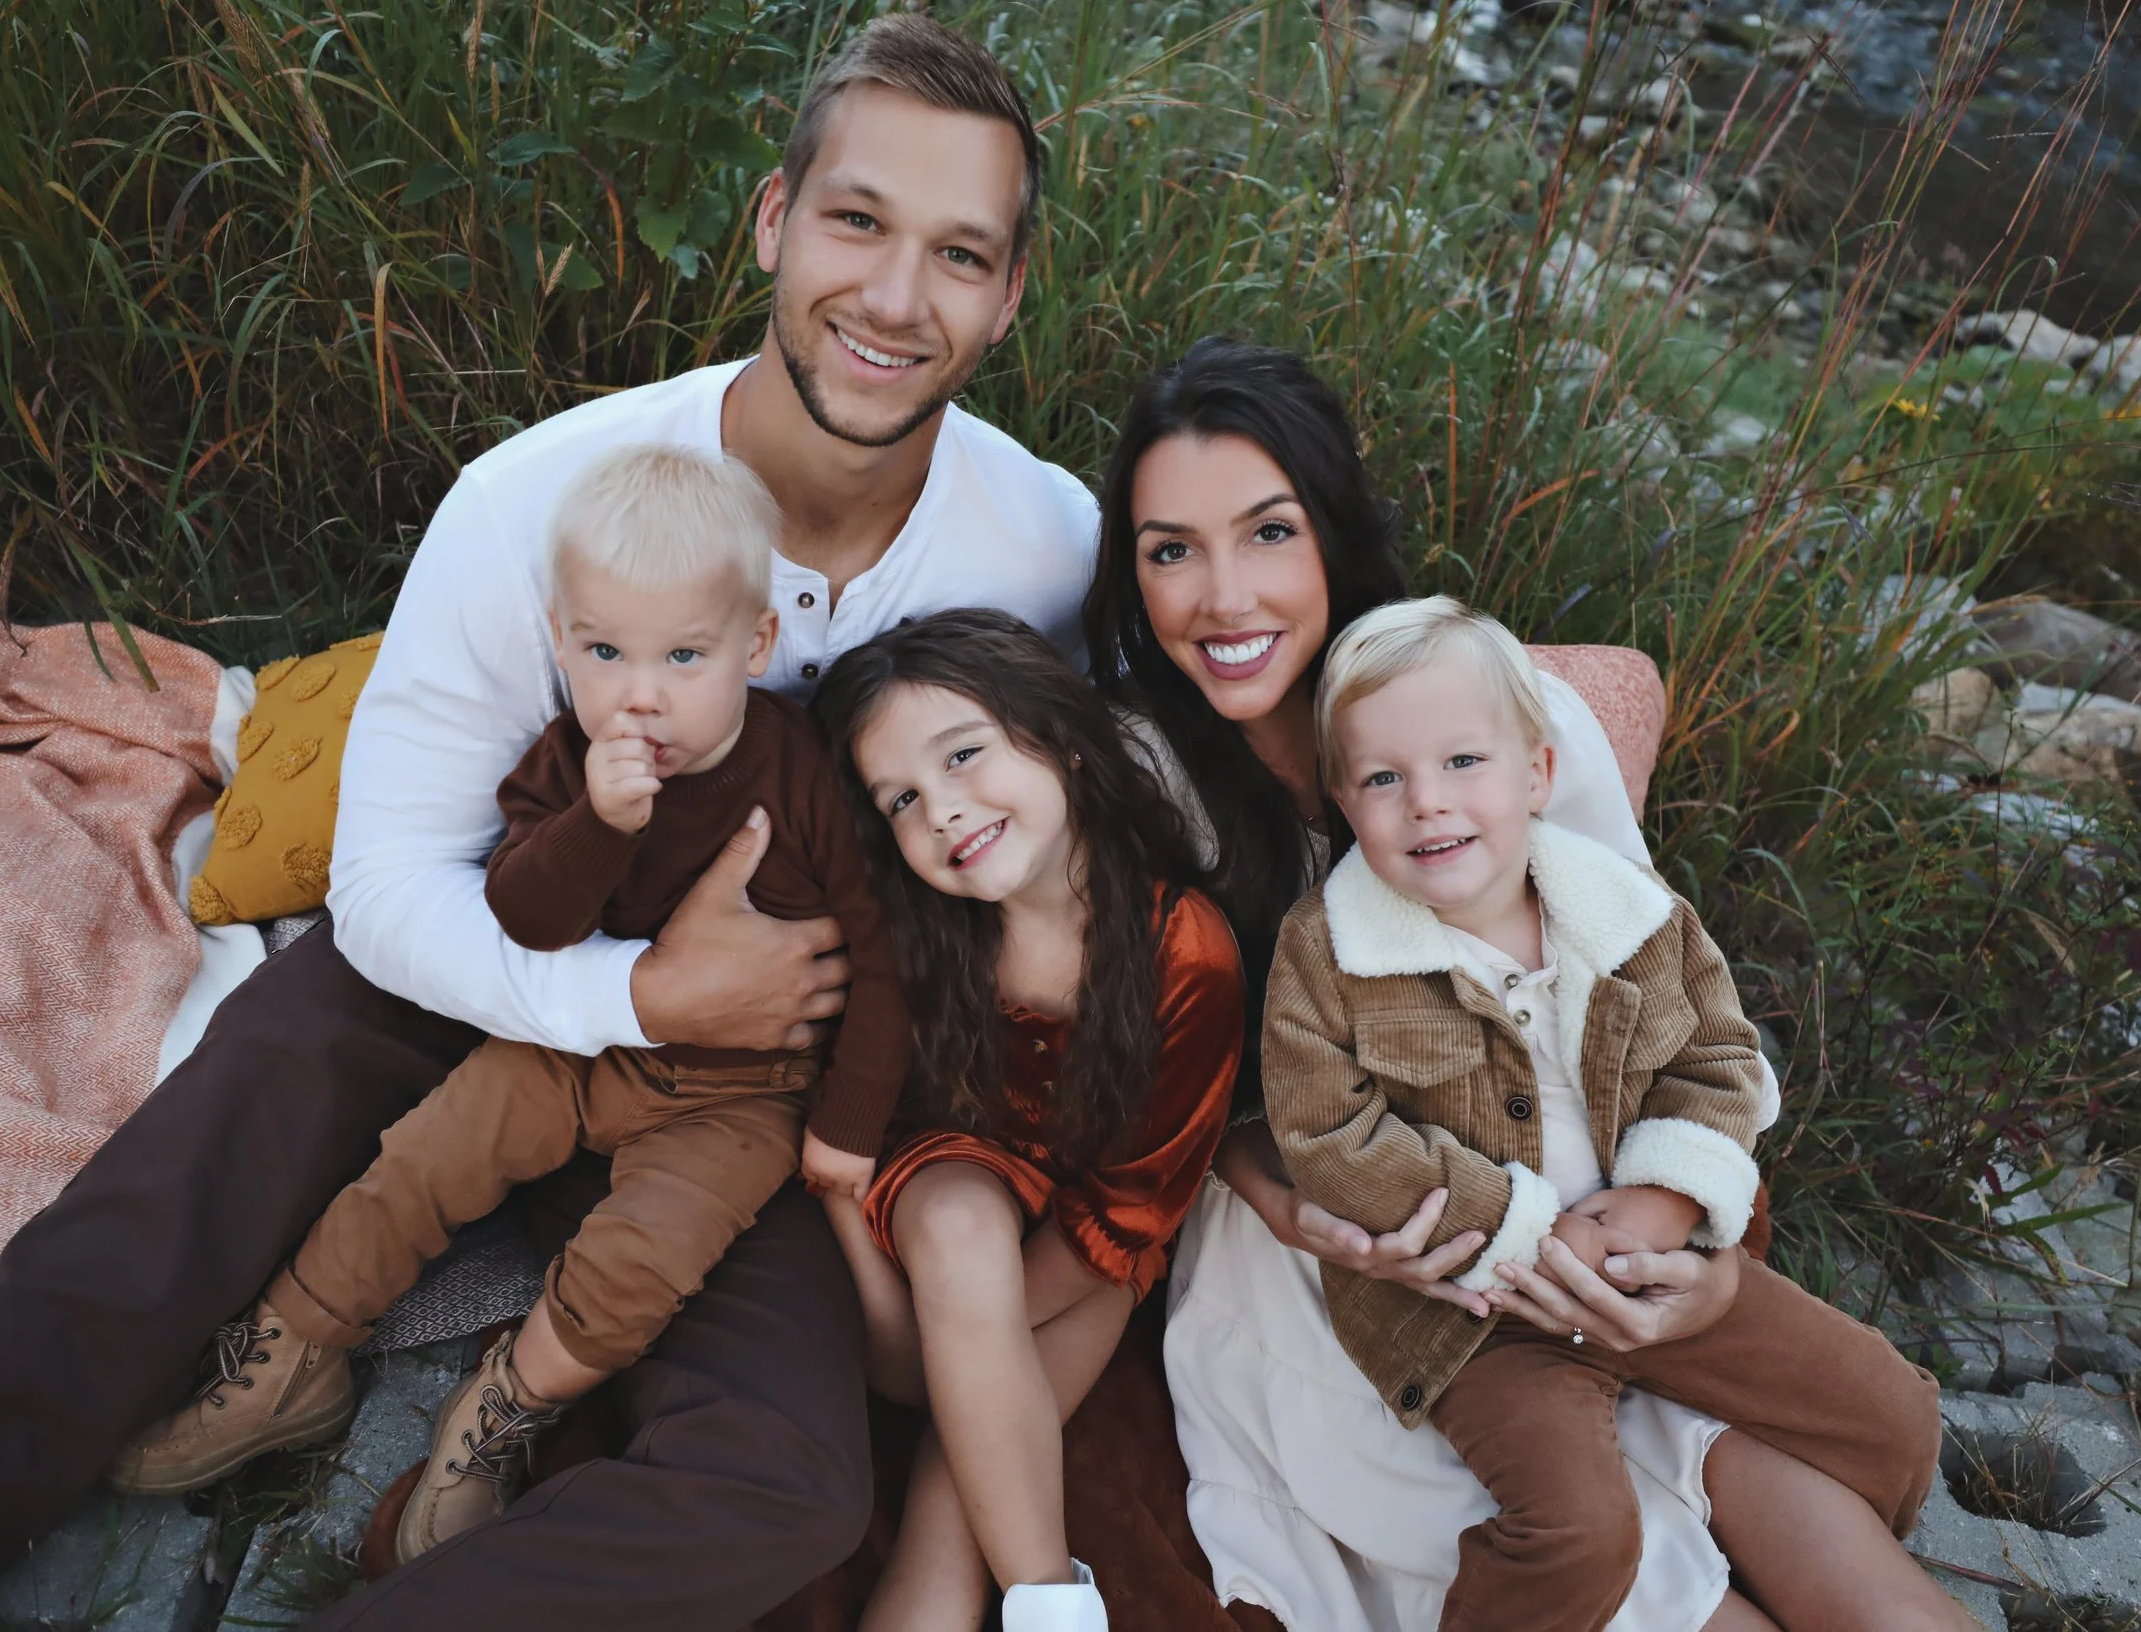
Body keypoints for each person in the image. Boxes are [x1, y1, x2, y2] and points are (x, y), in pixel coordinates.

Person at [0, 14, 1093, 1632]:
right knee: (209, 1150)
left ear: (1009, 292)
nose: (898, 299)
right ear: (776, 223)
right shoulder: (536, 500)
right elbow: (388, 890)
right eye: (859, 221)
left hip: (763, 1094)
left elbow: (1107, 839)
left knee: (789, 1481)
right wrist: (634, 996)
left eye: (960, 253)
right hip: (484, 973)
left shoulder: (1050, 547)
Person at [1079, 337, 1967, 1632]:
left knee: (1840, 1538)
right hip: (1359, 1257)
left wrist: (1679, 1235)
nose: (1223, 594)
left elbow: (1663, 1001)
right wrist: (1284, 1197)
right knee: (1615, 1558)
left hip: (1594, 1200)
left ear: (1331, 527)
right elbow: (1152, 1081)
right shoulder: (1138, 776)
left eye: (1267, 531)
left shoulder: (1502, 718)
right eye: (1170, 549)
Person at [106, 446, 911, 1563]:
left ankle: (496, 1409)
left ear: (756, 644)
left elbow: (881, 952)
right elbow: (526, 913)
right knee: (423, 1153)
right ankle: (294, 1351)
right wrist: (599, 824)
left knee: (644, 1257)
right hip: (570, 1043)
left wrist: (848, 1123)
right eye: (605, 651)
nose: (642, 692)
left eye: (685, 654)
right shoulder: (572, 762)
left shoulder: (803, 774)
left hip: (738, 1092)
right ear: (560, 639)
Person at [1261, 596, 1941, 1631]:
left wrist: (1661, 1206)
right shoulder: (1329, 952)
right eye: (1383, 778)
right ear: (1343, 801)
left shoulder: (1623, 910)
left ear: (1535, 772)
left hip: (1641, 1259)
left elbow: (1717, 1056)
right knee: (1578, 1532)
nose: (1427, 804)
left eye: (1462, 763)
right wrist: (1527, 1238)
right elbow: (1329, 1138)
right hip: (1480, 1310)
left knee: (1895, 1415)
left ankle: (1763, 1527)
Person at [809, 611, 1242, 1632]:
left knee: (957, 1489)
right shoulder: (910, 938)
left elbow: (1128, 1214)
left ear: (1068, 740)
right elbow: (845, 1142)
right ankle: (1045, 1582)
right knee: (961, 1233)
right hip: (929, 1200)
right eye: (902, 799)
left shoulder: (1187, 950)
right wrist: (919, 1326)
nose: (944, 810)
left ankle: (1044, 1606)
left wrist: (979, 1345)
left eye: (964, 756)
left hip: (1092, 1244)